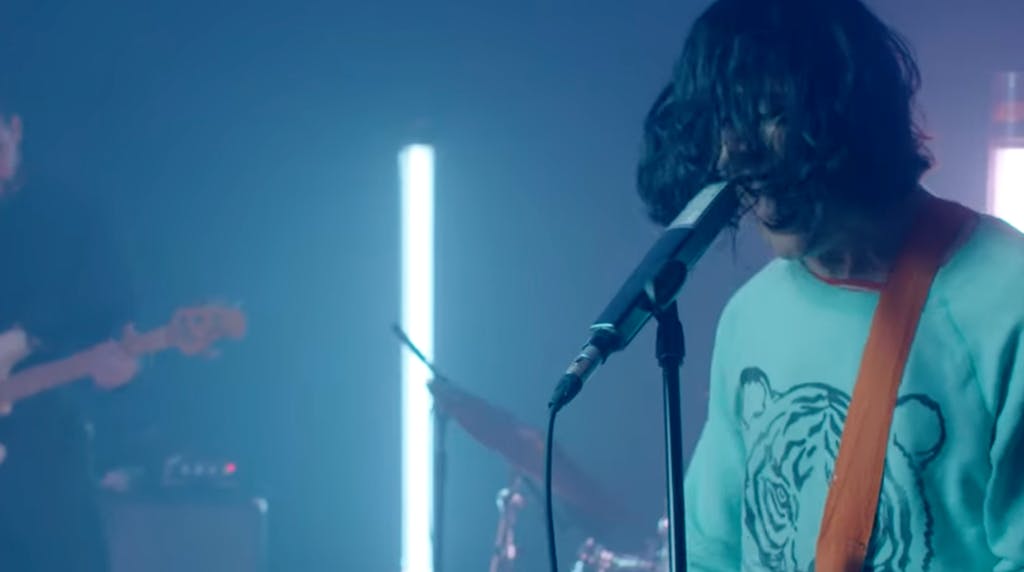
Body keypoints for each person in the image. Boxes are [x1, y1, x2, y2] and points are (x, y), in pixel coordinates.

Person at [636, 0, 1024, 569]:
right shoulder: (751, 315)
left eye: (769, 112)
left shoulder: (1009, 299)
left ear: (850, 110)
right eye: (726, 122)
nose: (733, 153)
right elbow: (709, 548)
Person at [0, 95, 140, 571]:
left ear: (15, 128)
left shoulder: (71, 218)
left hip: (42, 446)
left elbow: (117, 322)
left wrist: (125, 370)